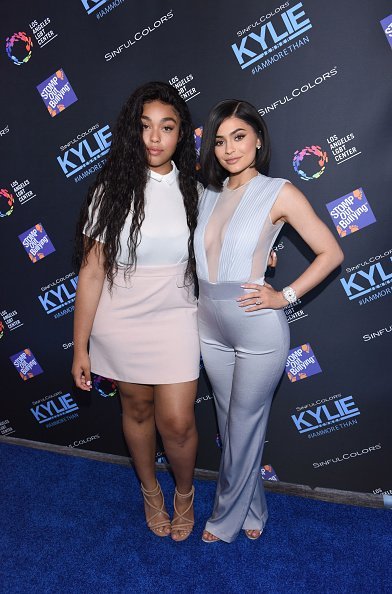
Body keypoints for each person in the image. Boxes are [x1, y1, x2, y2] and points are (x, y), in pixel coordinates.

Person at [195, 99, 344, 543]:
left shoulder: (279, 191)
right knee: (229, 424)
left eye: (239, 137)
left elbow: (331, 252)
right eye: (220, 141)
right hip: (208, 325)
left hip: (256, 326)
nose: (229, 149)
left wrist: (284, 295)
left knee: (242, 423)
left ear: (258, 139)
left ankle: (223, 520)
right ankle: (254, 508)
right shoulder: (206, 193)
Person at [72, 82, 200, 541]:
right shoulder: (111, 190)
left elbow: (228, 240)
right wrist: (80, 346)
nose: (154, 137)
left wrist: (264, 253)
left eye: (166, 127)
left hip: (176, 314)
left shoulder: (196, 190)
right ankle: (150, 491)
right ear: (133, 131)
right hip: (121, 317)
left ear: (181, 133)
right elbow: (90, 274)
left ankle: (184, 492)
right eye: (145, 127)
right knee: (138, 409)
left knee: (178, 422)